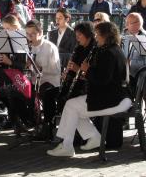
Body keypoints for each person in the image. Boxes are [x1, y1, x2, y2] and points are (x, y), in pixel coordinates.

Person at [48, 22, 131, 157]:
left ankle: (67, 145)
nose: (96, 37)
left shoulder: (108, 53)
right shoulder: (113, 49)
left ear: (105, 35)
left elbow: (102, 79)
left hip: (114, 99)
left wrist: (86, 70)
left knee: (70, 105)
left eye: (98, 34)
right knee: (74, 109)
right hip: (116, 97)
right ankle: (93, 138)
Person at [25, 19, 61, 140]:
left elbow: (56, 70)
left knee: (46, 94)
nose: (30, 37)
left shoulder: (50, 47)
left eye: (32, 34)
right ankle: (25, 121)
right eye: (28, 34)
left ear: (40, 33)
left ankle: (47, 127)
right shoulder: (27, 47)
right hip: (34, 81)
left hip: (49, 81)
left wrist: (39, 67)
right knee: (17, 90)